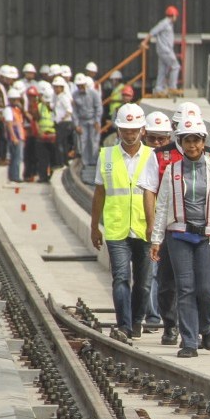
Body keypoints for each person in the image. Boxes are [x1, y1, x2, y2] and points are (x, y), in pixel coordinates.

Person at [149, 117, 210, 358]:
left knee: (205, 290)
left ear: (203, 142)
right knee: (184, 288)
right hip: (178, 235)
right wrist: (156, 240)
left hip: (207, 237)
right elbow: (162, 205)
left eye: (196, 140)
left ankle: (205, 328)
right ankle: (188, 341)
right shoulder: (173, 170)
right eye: (187, 140)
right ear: (181, 142)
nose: (192, 145)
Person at [138, 102, 210, 346]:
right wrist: (154, 227)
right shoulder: (161, 156)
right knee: (168, 283)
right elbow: (151, 192)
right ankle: (171, 324)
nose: (192, 143)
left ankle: (195, 331)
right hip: (172, 229)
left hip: (202, 232)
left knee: (199, 286)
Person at [91, 103, 154, 343]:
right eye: (125, 130)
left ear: (142, 130)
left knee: (144, 284)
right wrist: (94, 226)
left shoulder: (152, 157)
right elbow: (100, 193)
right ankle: (124, 325)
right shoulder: (106, 156)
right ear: (118, 130)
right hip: (116, 229)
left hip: (144, 229)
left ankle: (137, 320)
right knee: (120, 278)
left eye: (134, 130)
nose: (129, 134)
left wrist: (155, 226)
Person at [140, 111, 173, 331]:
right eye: (153, 138)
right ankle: (153, 316)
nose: (157, 143)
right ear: (145, 136)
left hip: (170, 224)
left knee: (168, 273)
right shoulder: (141, 157)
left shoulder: (172, 158)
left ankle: (167, 315)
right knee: (150, 272)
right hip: (144, 224)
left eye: (162, 138)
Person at [140, 5, 181, 95]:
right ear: (173, 15)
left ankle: (159, 88)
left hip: (163, 50)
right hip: (166, 50)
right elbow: (153, 31)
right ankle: (172, 87)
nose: (176, 18)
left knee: (163, 69)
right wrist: (145, 42)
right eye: (176, 16)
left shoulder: (168, 24)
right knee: (176, 66)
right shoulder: (165, 23)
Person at [72, 73, 102, 168]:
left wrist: (97, 121)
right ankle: (85, 162)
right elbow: (75, 111)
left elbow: (98, 107)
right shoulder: (75, 95)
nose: (80, 87)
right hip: (82, 121)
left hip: (93, 120)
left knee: (93, 141)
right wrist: (76, 125)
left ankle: (93, 161)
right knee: (83, 141)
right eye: (78, 85)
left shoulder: (94, 94)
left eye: (82, 85)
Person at [3, 88, 25, 183]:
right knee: (16, 157)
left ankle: (14, 175)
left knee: (17, 157)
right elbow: (9, 124)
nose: (17, 101)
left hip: (19, 136)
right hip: (15, 137)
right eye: (15, 99)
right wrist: (14, 137)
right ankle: (15, 176)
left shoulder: (16, 110)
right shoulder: (8, 110)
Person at [51, 76, 74, 169]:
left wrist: (61, 119)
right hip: (60, 123)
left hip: (64, 123)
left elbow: (69, 110)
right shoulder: (57, 97)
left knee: (60, 143)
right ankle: (64, 162)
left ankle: (62, 162)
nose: (56, 89)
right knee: (62, 143)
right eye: (55, 87)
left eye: (58, 87)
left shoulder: (64, 97)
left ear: (62, 88)